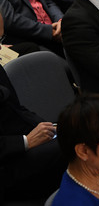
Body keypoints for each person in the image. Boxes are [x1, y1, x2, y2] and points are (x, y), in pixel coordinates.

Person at [0, 26, 63, 203]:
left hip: (21, 140)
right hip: (8, 163)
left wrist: (49, 126)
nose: (2, 49)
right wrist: (26, 141)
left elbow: (16, 109)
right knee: (76, 144)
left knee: (80, 126)